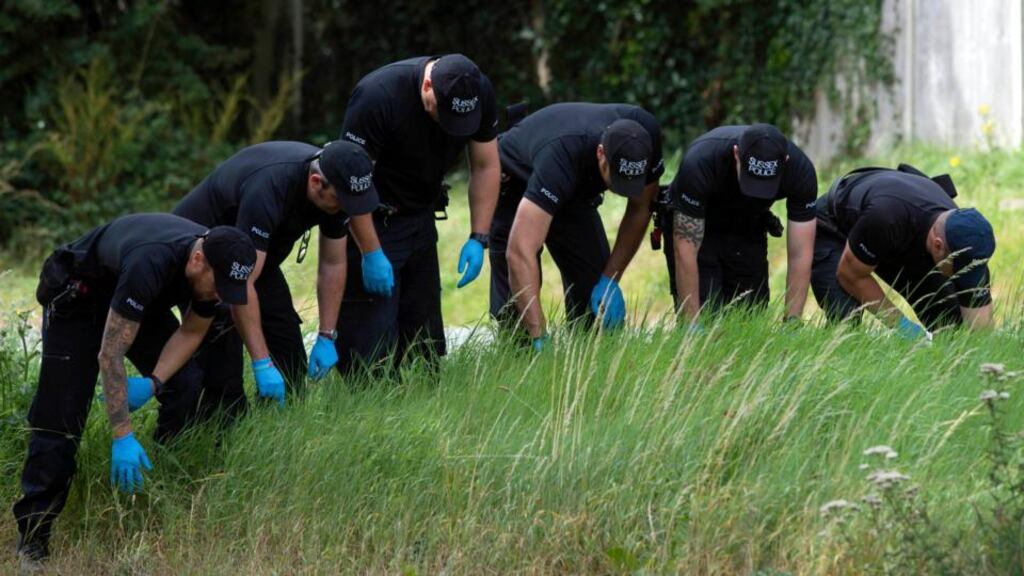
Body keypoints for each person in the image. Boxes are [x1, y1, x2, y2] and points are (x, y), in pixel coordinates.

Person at [13, 215, 256, 565]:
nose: (220, 295)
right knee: (60, 419)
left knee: (184, 382)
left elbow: (190, 332)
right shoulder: (152, 259)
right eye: (218, 285)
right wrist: (122, 435)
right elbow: (110, 355)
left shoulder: (211, 270)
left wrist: (156, 380)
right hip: (79, 297)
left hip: (135, 299)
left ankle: (156, 489)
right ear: (198, 259)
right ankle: (34, 537)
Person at [172, 140, 379, 416]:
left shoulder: (336, 189)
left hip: (255, 258)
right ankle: (211, 437)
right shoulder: (270, 187)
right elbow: (242, 283)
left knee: (290, 363)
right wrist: (261, 363)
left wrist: (327, 335)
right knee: (223, 370)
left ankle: (276, 430)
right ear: (317, 183)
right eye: (344, 202)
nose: (349, 209)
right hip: (206, 264)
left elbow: (333, 261)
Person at [337, 53, 501, 371]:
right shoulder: (378, 95)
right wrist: (370, 251)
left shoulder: (478, 90)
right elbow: (352, 184)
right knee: (368, 355)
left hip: (421, 218)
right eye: (443, 113)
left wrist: (478, 237)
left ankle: (421, 406)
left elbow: (485, 164)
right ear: (427, 85)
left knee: (423, 350)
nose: (448, 125)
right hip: (372, 219)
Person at [488, 103, 664, 347]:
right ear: (601, 154)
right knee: (518, 319)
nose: (623, 190)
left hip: (576, 186)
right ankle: (525, 354)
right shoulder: (562, 155)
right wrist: (539, 336)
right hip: (517, 179)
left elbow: (640, 209)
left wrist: (610, 279)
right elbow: (519, 251)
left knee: (596, 310)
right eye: (617, 180)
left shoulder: (645, 134)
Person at [810, 165, 995, 336]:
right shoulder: (886, 217)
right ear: (938, 245)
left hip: (894, 238)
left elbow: (981, 331)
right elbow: (850, 274)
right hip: (835, 228)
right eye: (958, 270)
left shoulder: (966, 241)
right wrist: (904, 328)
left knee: (949, 324)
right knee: (846, 320)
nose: (962, 276)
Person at [661, 124, 818, 326]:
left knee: (749, 318)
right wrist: (692, 326)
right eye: (751, 181)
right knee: (708, 315)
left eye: (766, 185)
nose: (757, 190)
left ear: (785, 162)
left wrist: (792, 323)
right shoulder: (701, 161)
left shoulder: (800, 172)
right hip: (700, 223)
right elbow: (685, 249)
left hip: (748, 224)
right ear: (736, 154)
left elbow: (801, 254)